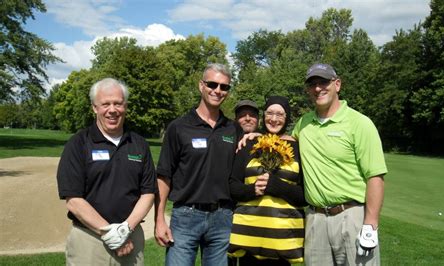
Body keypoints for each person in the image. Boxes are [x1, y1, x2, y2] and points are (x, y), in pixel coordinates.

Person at [292, 63, 387, 265]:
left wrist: (370, 225)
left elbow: (375, 176)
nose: (318, 88)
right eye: (313, 84)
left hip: (352, 216)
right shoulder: (303, 124)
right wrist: (253, 135)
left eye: (323, 82)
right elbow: (284, 142)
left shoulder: (359, 123)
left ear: (337, 84)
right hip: (316, 219)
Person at [56, 78, 157, 265]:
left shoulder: (139, 144)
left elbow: (148, 192)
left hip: (131, 239)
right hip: (89, 241)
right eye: (105, 104)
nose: (112, 110)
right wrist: (111, 234)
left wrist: (125, 230)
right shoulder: (78, 144)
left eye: (118, 103)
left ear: (125, 106)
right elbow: (74, 200)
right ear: (95, 107)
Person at [154, 63, 242, 266]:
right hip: (186, 216)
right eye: (212, 84)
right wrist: (159, 219)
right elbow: (164, 176)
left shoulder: (233, 129)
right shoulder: (179, 127)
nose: (218, 91)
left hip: (223, 217)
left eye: (224, 87)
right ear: (201, 85)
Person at [228, 96, 306, 265]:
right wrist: (252, 190)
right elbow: (233, 186)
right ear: (264, 116)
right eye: (269, 113)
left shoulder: (298, 149)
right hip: (248, 239)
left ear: (287, 118)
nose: (274, 119)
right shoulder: (249, 144)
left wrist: (279, 187)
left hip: (283, 240)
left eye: (280, 114)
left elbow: (305, 195)